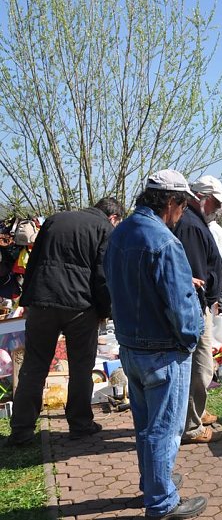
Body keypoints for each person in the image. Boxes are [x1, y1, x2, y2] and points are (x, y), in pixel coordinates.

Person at [104, 170, 207, 519]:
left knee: (146, 424)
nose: (182, 213)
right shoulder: (164, 240)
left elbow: (121, 283)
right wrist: (191, 338)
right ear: (170, 202)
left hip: (131, 347)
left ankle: (154, 482)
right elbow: (179, 305)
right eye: (182, 205)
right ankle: (162, 502)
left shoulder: (121, 232)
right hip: (163, 350)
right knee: (164, 428)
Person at [6, 197, 122, 448]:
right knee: (81, 367)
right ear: (113, 217)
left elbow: (34, 261)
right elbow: (103, 276)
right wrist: (106, 310)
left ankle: (22, 431)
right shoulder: (105, 229)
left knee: (34, 366)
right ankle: (80, 425)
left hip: (43, 301)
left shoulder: (55, 220)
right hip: (80, 307)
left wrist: (29, 298)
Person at [173, 175, 222, 445]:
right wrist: (207, 300)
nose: (218, 208)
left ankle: (196, 412)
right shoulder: (191, 226)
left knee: (202, 365)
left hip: (202, 304)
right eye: (216, 203)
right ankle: (191, 425)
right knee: (200, 366)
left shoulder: (195, 221)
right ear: (204, 199)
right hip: (196, 307)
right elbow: (196, 273)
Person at [198, 176, 222, 315]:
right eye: (216, 202)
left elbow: (215, 248)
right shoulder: (212, 227)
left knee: (221, 288)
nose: (219, 207)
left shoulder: (212, 228)